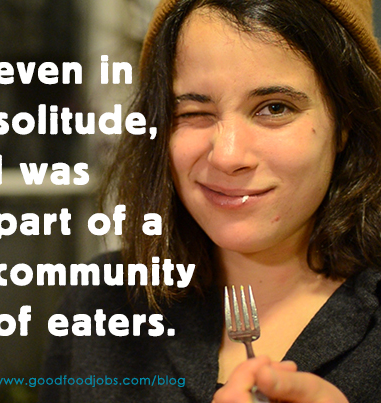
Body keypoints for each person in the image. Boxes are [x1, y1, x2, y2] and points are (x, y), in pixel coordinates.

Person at [39, 0, 381, 402]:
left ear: (344, 123)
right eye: (193, 112)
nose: (227, 156)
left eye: (274, 108)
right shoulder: (102, 300)